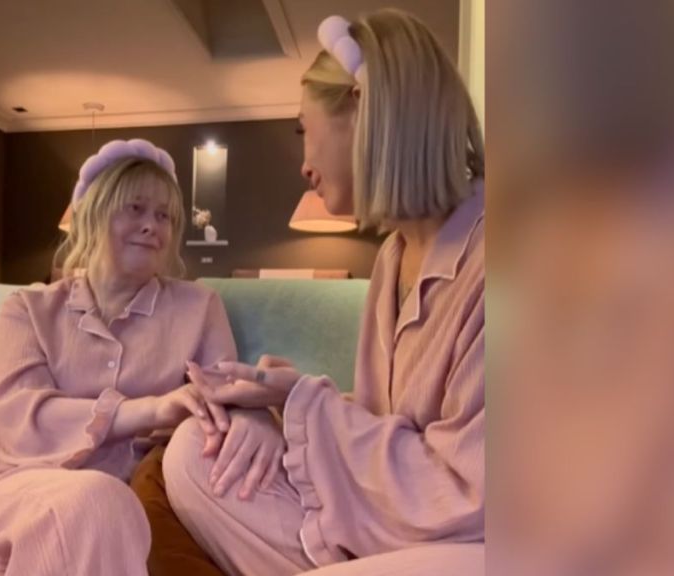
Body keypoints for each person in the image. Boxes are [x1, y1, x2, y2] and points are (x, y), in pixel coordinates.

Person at [165, 9, 486, 575]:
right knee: (195, 452)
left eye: (301, 128)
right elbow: (384, 434)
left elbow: (468, 497)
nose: (305, 164)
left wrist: (300, 407)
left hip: (477, 543)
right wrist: (277, 414)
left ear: (366, 112)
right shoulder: (392, 259)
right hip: (396, 527)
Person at [0, 139, 237, 576]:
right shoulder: (27, 309)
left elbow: (222, 408)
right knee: (95, 503)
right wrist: (150, 409)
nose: (152, 226)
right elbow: (16, 418)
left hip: (134, 499)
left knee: (102, 503)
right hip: (17, 489)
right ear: (93, 213)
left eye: (164, 216)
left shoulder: (200, 306)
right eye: (135, 208)